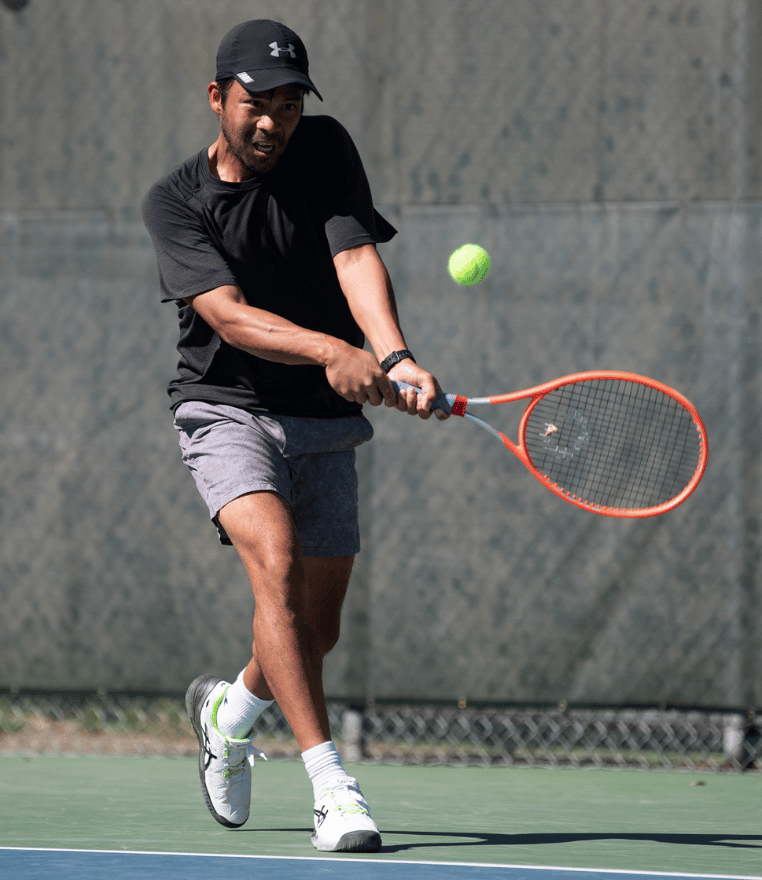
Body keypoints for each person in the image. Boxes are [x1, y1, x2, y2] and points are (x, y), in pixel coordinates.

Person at [141, 19, 447, 854]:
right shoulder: (174, 202)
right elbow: (230, 319)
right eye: (255, 104)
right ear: (217, 99)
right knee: (272, 564)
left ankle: (228, 713)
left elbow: (353, 258)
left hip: (319, 416)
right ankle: (331, 786)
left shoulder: (325, 149)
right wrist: (332, 351)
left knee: (316, 632)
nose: (273, 121)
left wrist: (395, 355)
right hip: (223, 406)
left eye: (287, 103)